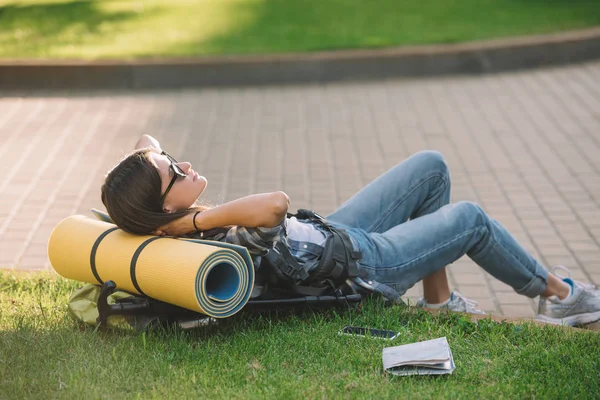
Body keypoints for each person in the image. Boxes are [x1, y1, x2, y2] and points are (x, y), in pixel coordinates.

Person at [101, 134, 600, 326]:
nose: (186, 164)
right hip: (362, 266)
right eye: (175, 171)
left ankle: (440, 301)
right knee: (469, 219)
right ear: (164, 207)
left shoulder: (168, 229)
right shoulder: (206, 239)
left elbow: (148, 150)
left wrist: (155, 169)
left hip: (331, 234)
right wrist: (195, 218)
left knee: (432, 165)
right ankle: (556, 296)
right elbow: (277, 205)